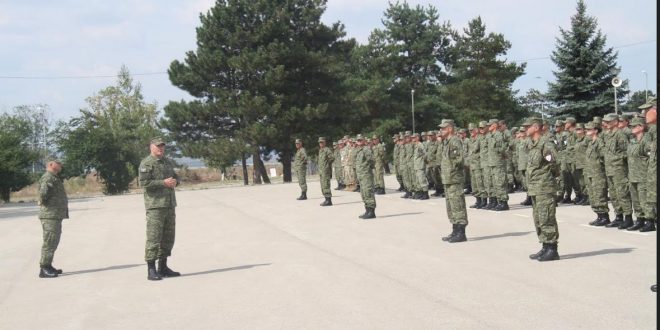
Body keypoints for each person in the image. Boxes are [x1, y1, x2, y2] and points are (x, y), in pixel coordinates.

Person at [139, 137, 181, 281]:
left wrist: (176, 181)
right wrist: (163, 183)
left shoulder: (167, 162)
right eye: (158, 146)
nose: (161, 149)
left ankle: (163, 267)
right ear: (151, 147)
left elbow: (175, 177)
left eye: (162, 146)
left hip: (169, 205)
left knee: (168, 237)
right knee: (154, 238)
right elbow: (144, 183)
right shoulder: (146, 163)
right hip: (155, 206)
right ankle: (151, 269)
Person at [524, 118, 560, 261]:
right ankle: (545, 246)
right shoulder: (532, 145)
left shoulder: (545, 144)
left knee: (547, 218)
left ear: (536, 127)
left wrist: (546, 177)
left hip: (544, 187)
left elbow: (554, 163)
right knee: (538, 218)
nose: (525, 129)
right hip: (534, 188)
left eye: (527, 127)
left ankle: (552, 249)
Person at [37, 159, 69, 278]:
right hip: (50, 215)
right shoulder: (48, 177)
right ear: (51, 165)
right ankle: (44, 268)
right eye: (58, 163)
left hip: (54, 215)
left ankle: (48, 265)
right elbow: (43, 194)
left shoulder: (54, 177)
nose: (61, 165)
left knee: (53, 241)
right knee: (49, 241)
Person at [438, 119, 469, 243]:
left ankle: (461, 232)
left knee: (457, 204)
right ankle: (455, 230)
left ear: (450, 128)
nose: (441, 130)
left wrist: (452, 168)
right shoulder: (446, 142)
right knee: (451, 206)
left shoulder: (455, 140)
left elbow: (459, 159)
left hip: (454, 178)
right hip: (448, 179)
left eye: (443, 128)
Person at [602, 114, 633, 229]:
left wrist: (617, 158)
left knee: (622, 193)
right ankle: (619, 216)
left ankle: (628, 218)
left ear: (615, 122)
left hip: (619, 169)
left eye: (609, 122)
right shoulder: (608, 135)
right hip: (609, 168)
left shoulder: (620, 134)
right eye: (606, 122)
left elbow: (627, 152)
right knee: (614, 194)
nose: (606, 124)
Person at [584, 122, 611, 226]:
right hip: (591, 173)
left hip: (598, 173)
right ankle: (599, 216)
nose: (587, 131)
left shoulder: (599, 142)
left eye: (589, 129)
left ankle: (605, 217)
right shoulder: (591, 143)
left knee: (600, 195)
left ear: (596, 130)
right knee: (593, 196)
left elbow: (603, 156)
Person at [355, 134, 376, 219]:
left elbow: (372, 160)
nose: (359, 141)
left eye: (361, 140)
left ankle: (371, 212)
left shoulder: (366, 149)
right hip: (361, 175)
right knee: (364, 193)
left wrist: (368, 169)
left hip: (366, 174)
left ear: (364, 140)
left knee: (368, 192)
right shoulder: (358, 150)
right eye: (358, 140)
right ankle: (367, 210)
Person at [318, 137, 334, 206]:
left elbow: (332, 158)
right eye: (320, 142)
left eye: (322, 142)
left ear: (325, 142)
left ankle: (328, 200)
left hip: (326, 171)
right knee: (323, 185)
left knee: (326, 184)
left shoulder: (327, 150)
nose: (321, 143)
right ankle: (326, 199)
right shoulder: (321, 150)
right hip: (321, 171)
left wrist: (327, 164)